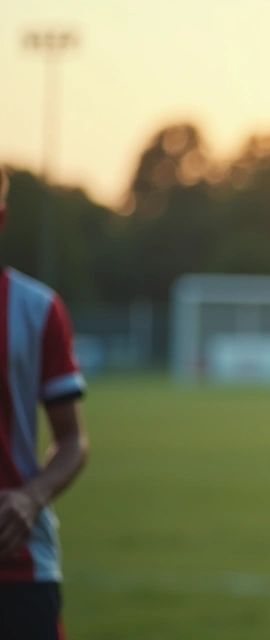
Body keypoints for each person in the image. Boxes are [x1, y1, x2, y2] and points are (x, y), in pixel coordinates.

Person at [0, 166, 91, 640]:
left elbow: (73, 441)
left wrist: (30, 497)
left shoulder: (35, 308)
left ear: (1, 216)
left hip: (18, 568)